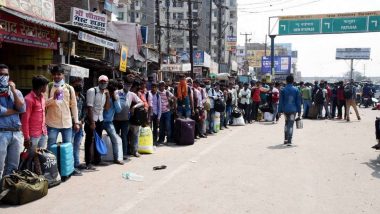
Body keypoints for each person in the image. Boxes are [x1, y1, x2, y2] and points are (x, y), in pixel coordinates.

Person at [0, 64, 26, 178]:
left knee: (12, 166)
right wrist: (16, 111)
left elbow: (22, 108)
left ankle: (7, 191)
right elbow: (2, 111)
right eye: (1, 74)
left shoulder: (16, 92)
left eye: (6, 74)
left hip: (15, 133)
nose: (3, 77)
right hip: (1, 133)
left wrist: (13, 91)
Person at [45, 66, 79, 148]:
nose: (56, 76)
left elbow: (74, 106)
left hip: (67, 124)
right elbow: (44, 104)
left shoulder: (69, 88)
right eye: (54, 74)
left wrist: (76, 122)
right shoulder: (48, 87)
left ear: (63, 75)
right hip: (52, 123)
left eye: (59, 74)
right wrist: (53, 98)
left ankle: (65, 161)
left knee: (67, 148)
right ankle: (52, 161)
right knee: (50, 148)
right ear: (52, 75)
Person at [84, 75, 110, 170]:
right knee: (89, 141)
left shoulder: (105, 93)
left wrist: (108, 96)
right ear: (98, 82)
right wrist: (92, 122)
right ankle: (88, 162)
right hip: (92, 119)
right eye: (101, 82)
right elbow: (89, 107)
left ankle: (97, 160)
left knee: (98, 140)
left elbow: (107, 108)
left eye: (105, 82)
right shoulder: (92, 91)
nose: (103, 84)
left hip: (100, 119)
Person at [114, 77, 144, 157]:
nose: (128, 87)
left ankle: (123, 154)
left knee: (124, 137)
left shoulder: (132, 94)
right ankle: (116, 154)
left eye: (130, 85)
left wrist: (134, 107)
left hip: (126, 120)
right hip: (115, 119)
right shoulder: (117, 92)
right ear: (123, 84)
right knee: (115, 137)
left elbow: (141, 103)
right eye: (127, 84)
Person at [22, 75, 49, 153]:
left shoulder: (42, 97)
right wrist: (26, 138)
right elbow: (25, 120)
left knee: (40, 157)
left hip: (43, 133)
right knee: (30, 158)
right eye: (46, 86)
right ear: (41, 87)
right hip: (33, 135)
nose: (46, 88)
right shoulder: (28, 99)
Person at [103, 80, 124, 165]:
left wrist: (115, 99)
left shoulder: (116, 96)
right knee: (96, 139)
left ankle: (117, 158)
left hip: (109, 122)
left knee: (114, 139)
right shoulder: (103, 94)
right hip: (99, 120)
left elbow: (118, 110)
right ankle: (96, 158)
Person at [278, 75, 302, 146]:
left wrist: (279, 111)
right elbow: (298, 102)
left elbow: (281, 101)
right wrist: (299, 111)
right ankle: (289, 140)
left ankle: (285, 139)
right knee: (291, 125)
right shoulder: (296, 90)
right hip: (293, 110)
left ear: (286, 81)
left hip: (285, 110)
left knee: (286, 123)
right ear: (293, 81)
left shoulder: (283, 90)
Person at [70, 77, 86, 174]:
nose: (79, 84)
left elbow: (84, 111)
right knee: (70, 145)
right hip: (71, 125)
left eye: (80, 83)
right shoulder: (69, 97)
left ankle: (76, 163)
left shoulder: (82, 97)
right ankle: (71, 166)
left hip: (79, 124)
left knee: (77, 145)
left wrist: (81, 121)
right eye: (77, 83)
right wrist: (75, 122)